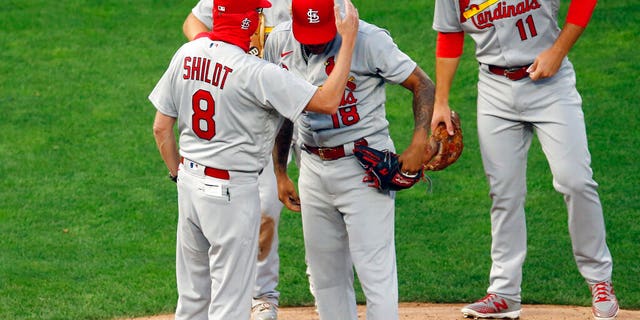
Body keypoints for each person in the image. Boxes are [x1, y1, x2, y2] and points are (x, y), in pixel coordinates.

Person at [149, 0, 360, 318]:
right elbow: (328, 101)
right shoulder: (257, 73)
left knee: (192, 298)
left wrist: (177, 173)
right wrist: (348, 44)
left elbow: (160, 128)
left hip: (189, 185)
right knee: (230, 303)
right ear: (249, 23)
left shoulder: (186, 55)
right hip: (231, 194)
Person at [431, 0, 619, 319]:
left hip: (551, 85)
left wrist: (558, 51)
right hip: (494, 90)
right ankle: (504, 292)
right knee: (503, 193)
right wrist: (441, 102)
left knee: (575, 181)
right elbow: (450, 35)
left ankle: (600, 280)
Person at [264, 0, 436, 319]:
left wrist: (418, 140)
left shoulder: (369, 40)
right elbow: (282, 110)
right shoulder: (279, 42)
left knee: (375, 272)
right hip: (312, 167)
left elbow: (422, 84)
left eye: (321, 34)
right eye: (308, 35)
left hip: (363, 168)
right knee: (325, 275)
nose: (315, 42)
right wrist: (279, 172)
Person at [182, 1, 294, 319]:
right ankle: (260, 296)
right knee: (264, 208)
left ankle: (280, 292)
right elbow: (192, 22)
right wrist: (214, 56)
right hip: (249, 115)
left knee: (310, 208)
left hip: (298, 100)